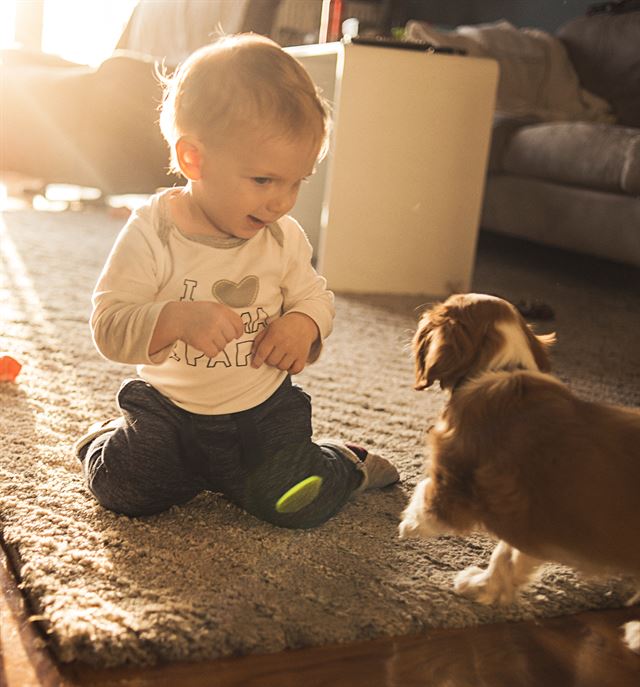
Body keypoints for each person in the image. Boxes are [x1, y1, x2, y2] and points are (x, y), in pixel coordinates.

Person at [74, 33, 399, 529]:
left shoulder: (283, 237)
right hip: (170, 410)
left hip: (262, 409)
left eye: (297, 182)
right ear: (193, 159)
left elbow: (317, 296)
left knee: (297, 500)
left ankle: (346, 465)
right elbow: (109, 325)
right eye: (265, 181)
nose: (282, 202)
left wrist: (304, 323)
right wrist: (174, 317)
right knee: (128, 488)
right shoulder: (153, 230)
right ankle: (107, 440)